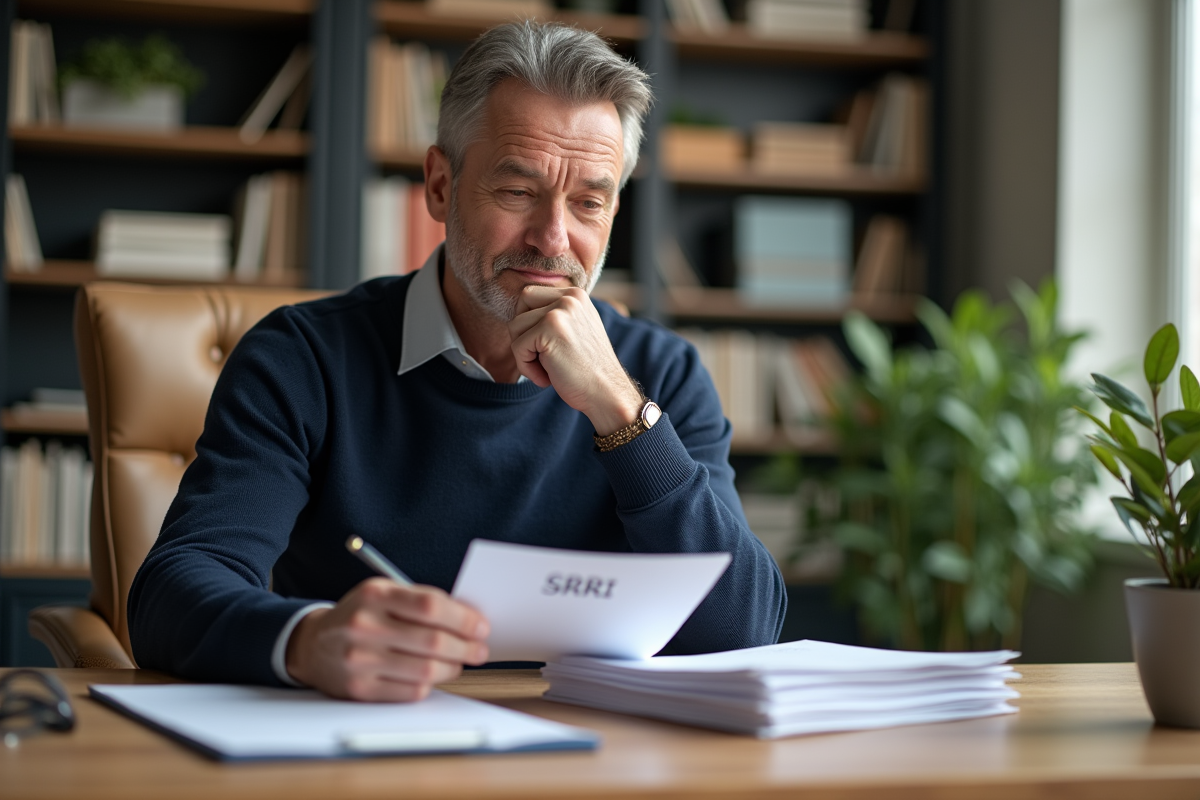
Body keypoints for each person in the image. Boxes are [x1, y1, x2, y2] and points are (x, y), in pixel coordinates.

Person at [128, 21, 786, 701]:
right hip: (368, 737)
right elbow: (170, 594)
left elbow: (743, 628)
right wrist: (308, 640)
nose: (553, 239)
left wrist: (620, 412)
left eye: (588, 202)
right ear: (440, 185)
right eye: (518, 192)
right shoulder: (302, 358)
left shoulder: (662, 375)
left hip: (594, 747)